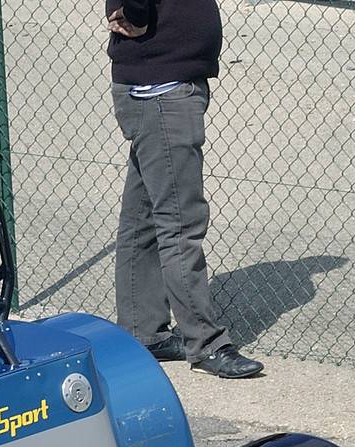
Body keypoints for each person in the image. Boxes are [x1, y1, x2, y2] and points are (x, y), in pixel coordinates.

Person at [107, 0, 262, 378]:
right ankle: (205, 343)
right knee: (180, 223)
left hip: (161, 84)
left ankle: (144, 333)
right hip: (160, 90)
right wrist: (137, 13)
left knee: (142, 219)